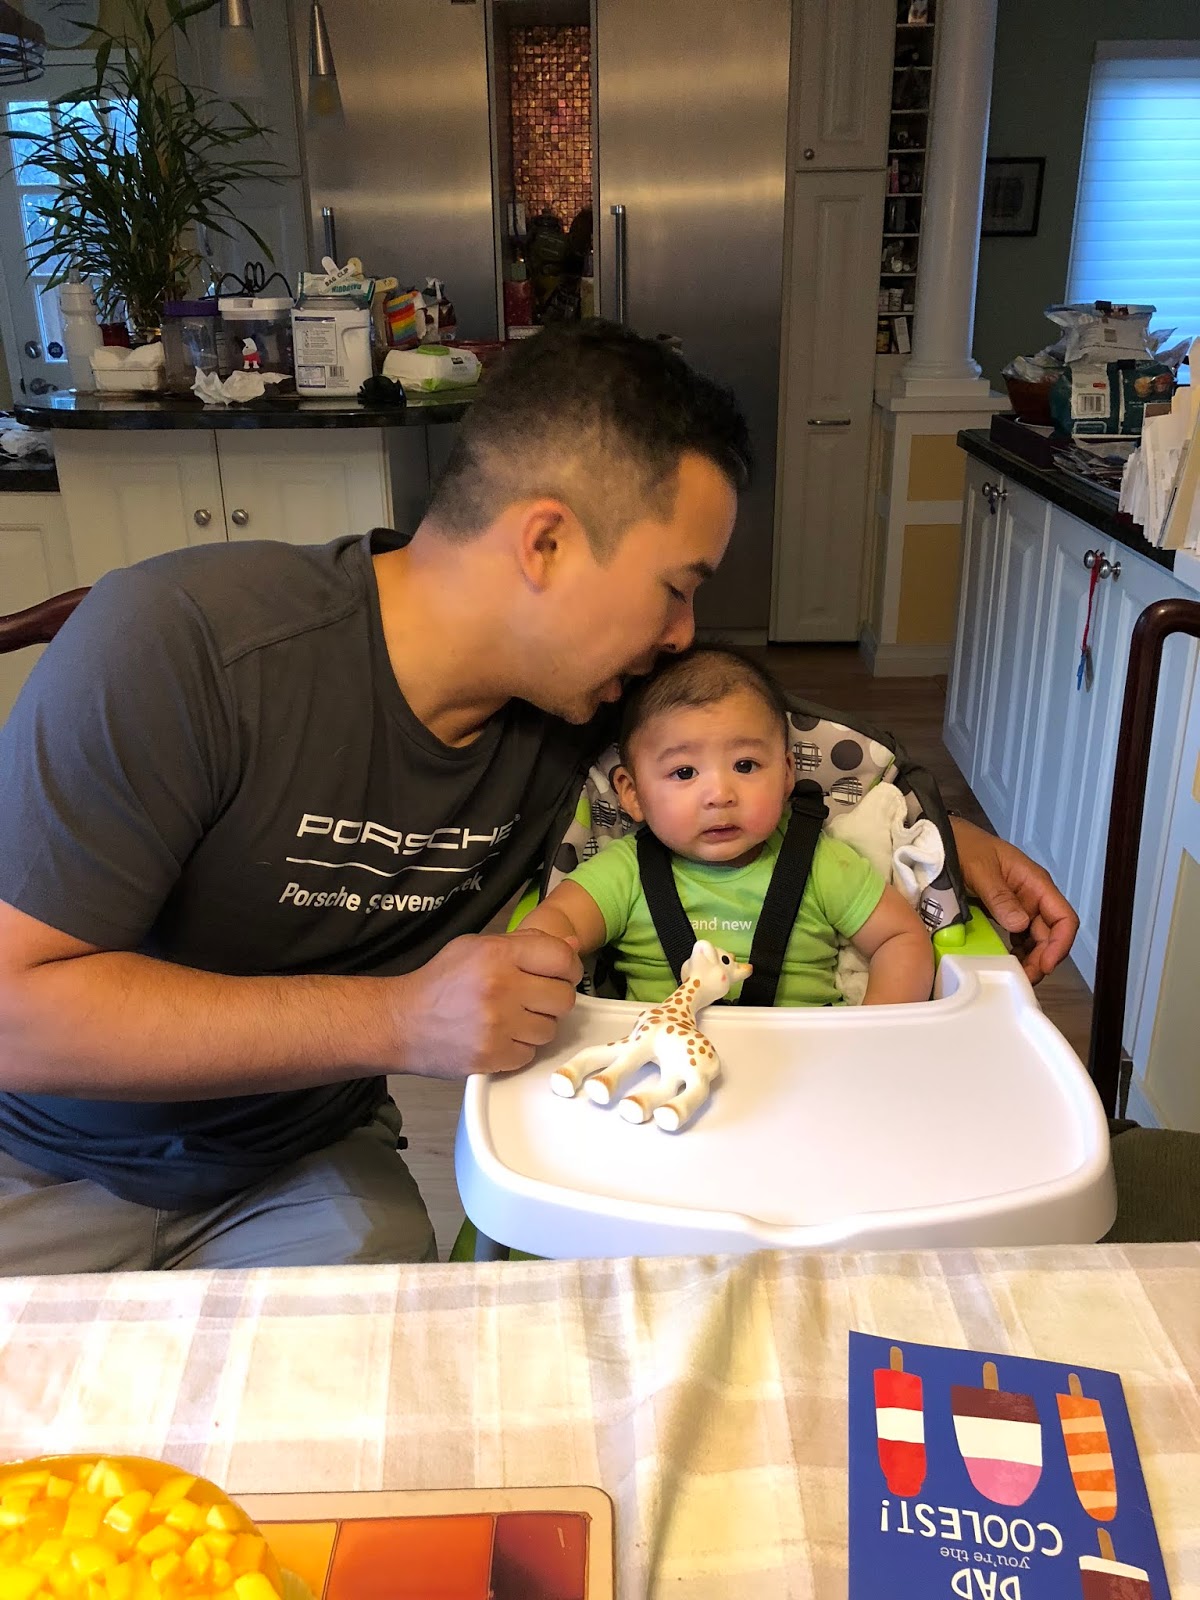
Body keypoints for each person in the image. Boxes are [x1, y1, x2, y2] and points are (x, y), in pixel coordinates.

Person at [0, 321, 1079, 1273]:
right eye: (676, 589)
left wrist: (949, 834)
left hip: (302, 1164)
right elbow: (16, 1013)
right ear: (547, 543)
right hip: (39, 1161)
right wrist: (400, 1018)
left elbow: (749, 743)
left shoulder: (582, 711)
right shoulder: (180, 647)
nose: (682, 637)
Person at [521, 647, 934, 1007]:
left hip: (809, 1058)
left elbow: (899, 938)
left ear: (787, 774)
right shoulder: (624, 871)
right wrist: (531, 961)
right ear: (632, 794)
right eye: (684, 772)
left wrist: (874, 1033)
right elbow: (556, 922)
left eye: (745, 765)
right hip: (664, 1060)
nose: (720, 794)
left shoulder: (820, 862)